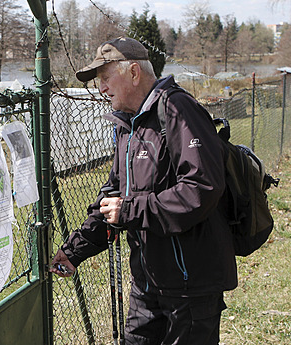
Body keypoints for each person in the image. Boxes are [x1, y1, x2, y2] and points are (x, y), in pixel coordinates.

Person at [49, 37, 237, 345]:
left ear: (134, 73)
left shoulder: (177, 111)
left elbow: (201, 189)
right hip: (148, 281)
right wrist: (74, 251)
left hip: (190, 286)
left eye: (106, 78)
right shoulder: (129, 126)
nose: (102, 88)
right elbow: (113, 196)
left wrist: (130, 210)